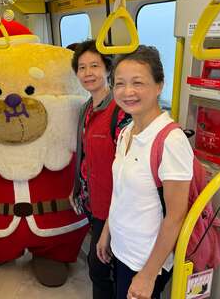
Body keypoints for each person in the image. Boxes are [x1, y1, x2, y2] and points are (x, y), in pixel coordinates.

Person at [97, 46, 192, 299]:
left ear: (159, 85)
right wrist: (107, 231)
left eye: (138, 83)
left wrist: (148, 275)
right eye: (119, 83)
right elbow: (121, 192)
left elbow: (175, 216)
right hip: (122, 247)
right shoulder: (127, 130)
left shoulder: (171, 140)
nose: (127, 92)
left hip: (145, 260)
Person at [69, 40, 130, 298]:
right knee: (101, 268)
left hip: (115, 206)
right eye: (82, 67)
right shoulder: (86, 108)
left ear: (108, 68)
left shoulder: (120, 111)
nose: (88, 73)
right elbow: (86, 157)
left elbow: (126, 168)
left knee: (100, 269)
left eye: (94, 65)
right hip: (93, 201)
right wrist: (76, 189)